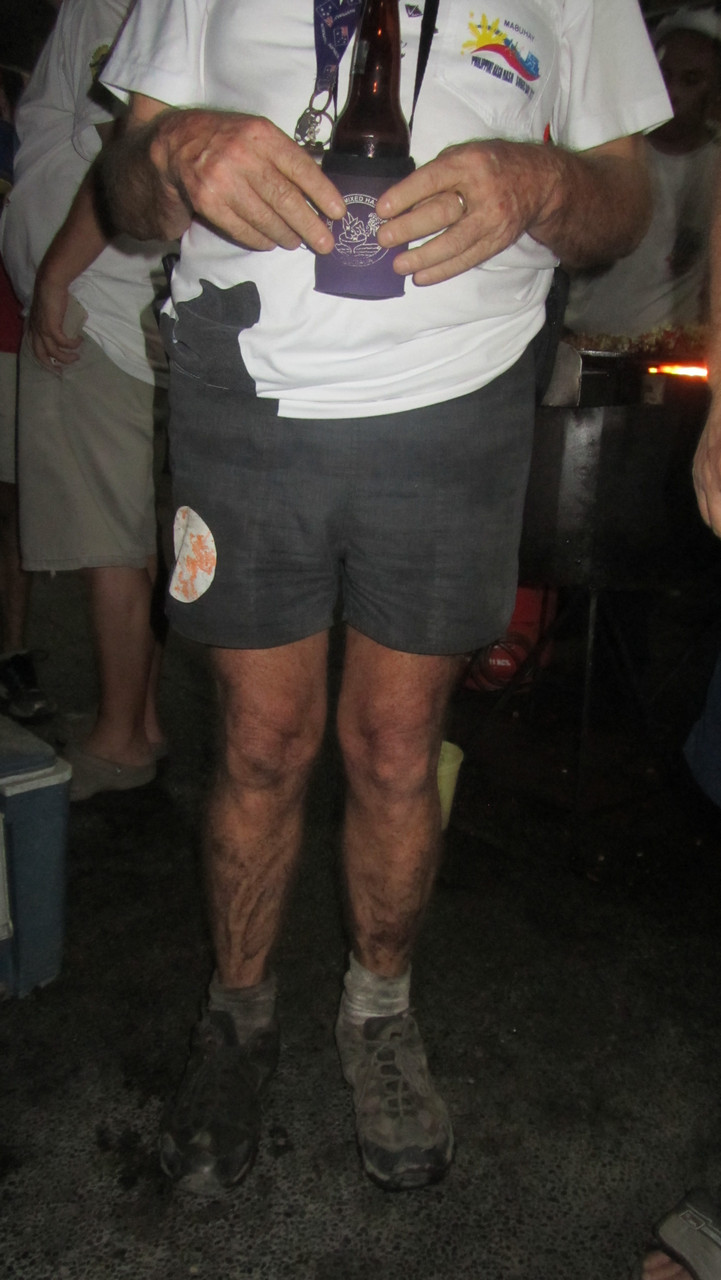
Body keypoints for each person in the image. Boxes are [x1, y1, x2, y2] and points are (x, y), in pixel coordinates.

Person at [96, 0, 671, 1195]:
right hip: (241, 379)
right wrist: (173, 151)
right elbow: (123, 194)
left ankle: (378, 1013)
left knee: (399, 747)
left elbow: (625, 198)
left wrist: (540, 181)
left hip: (457, 397)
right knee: (259, 741)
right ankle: (237, 1014)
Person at [0, 0, 174, 799]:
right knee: (131, 532)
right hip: (115, 300)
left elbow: (124, 149)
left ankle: (119, 741)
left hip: (96, 304)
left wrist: (56, 275)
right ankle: (138, 719)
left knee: (110, 541)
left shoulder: (115, 4)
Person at [565, 5, 721, 342]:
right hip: (578, 342)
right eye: (664, 76)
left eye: (691, 80)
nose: (672, 92)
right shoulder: (606, 155)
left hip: (665, 355)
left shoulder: (713, 170)